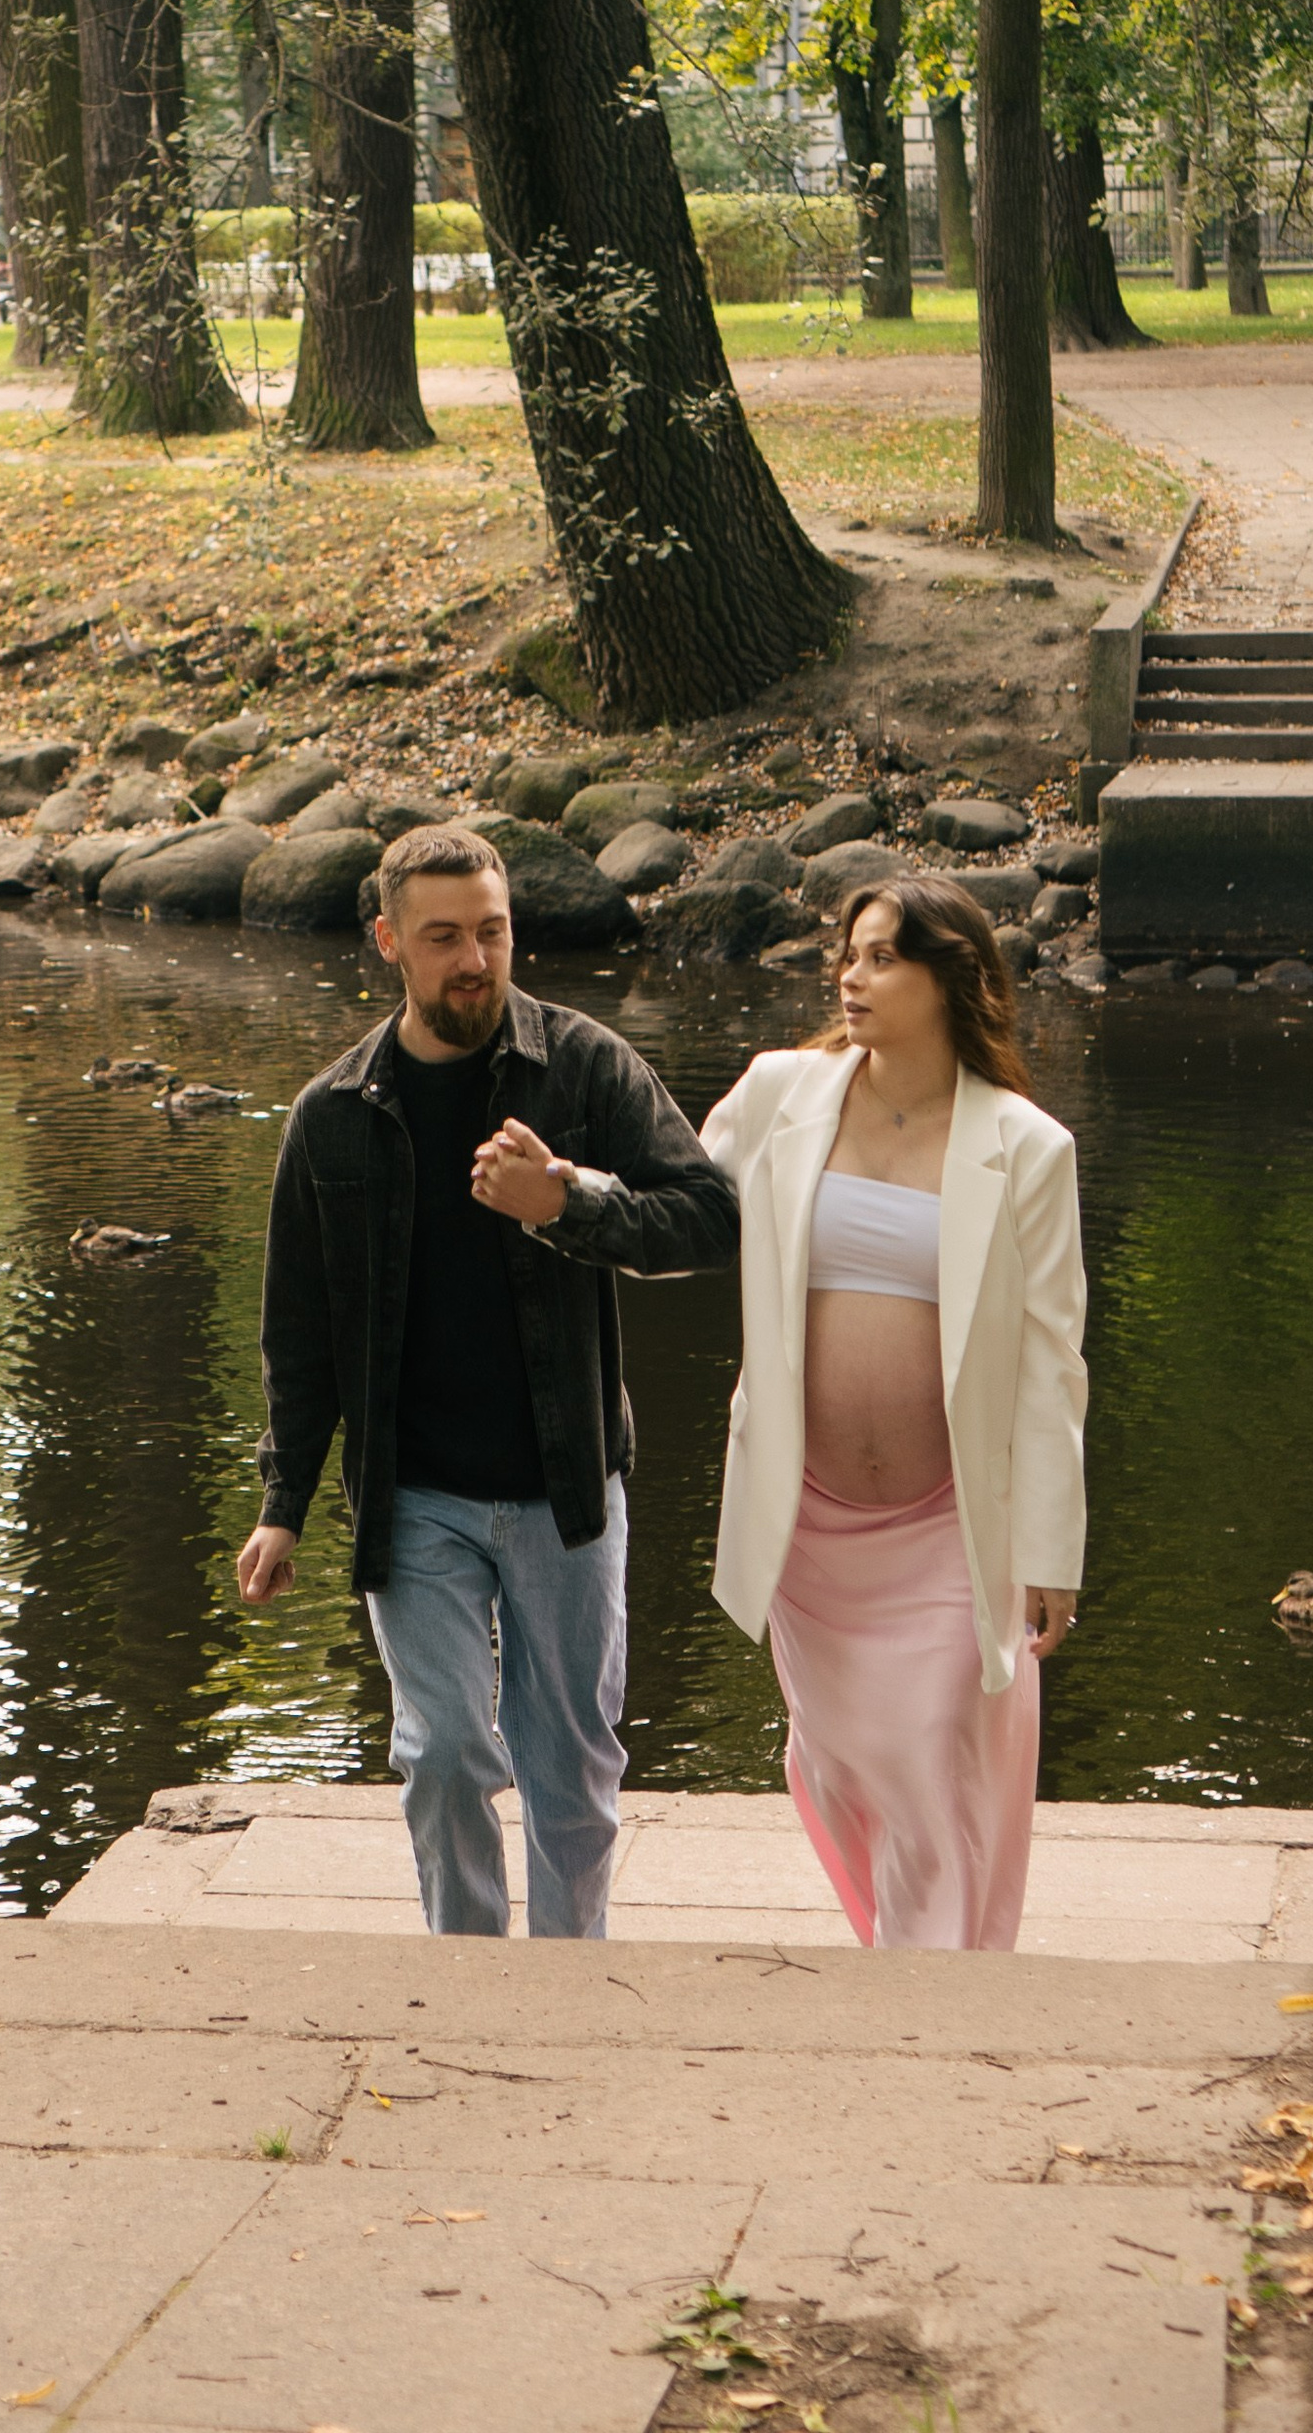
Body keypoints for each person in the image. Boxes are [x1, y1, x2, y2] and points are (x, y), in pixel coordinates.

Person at [236, 823, 742, 1940]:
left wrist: (571, 1207)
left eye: (494, 932)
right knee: (449, 1750)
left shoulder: (583, 1066)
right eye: (445, 937)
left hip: (567, 1489)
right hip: (414, 1496)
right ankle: (465, 1981)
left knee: (570, 1770)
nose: (475, 960)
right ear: (388, 943)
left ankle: (567, 1982)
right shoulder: (332, 1115)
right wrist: (284, 1504)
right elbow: (300, 1330)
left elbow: (712, 1221)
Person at [701, 875, 1087, 1952]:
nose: (850, 976)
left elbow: (1054, 1363)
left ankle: (930, 1993)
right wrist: (567, 1197)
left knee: (927, 1757)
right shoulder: (783, 1094)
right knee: (839, 1768)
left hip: (946, 1526)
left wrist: (1051, 1548)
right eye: (849, 953)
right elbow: (677, 1208)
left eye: (880, 957)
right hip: (809, 1523)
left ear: (948, 979)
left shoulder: (1026, 1147)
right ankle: (903, 1956)